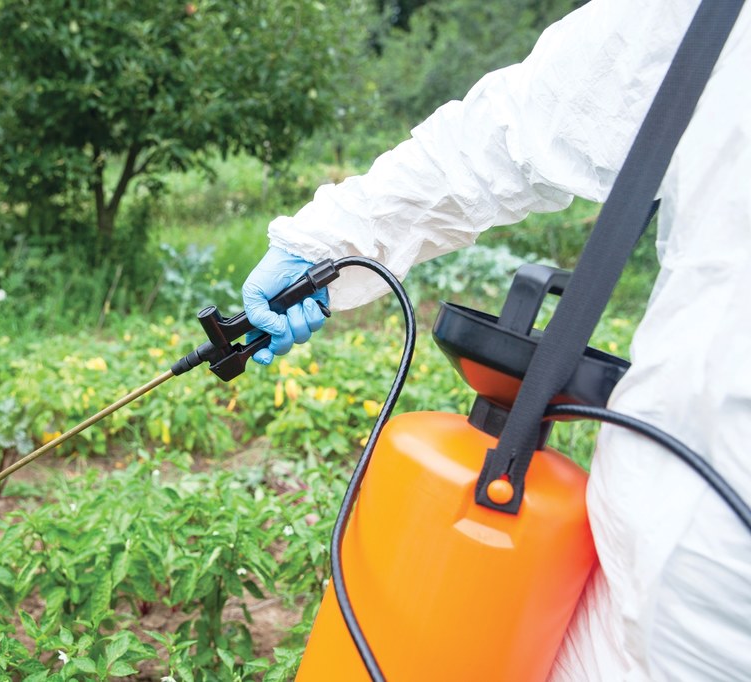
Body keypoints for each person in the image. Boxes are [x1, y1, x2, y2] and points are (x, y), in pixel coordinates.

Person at [241, 0, 751, 679]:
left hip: (691, 549)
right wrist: (331, 247)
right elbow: (539, 117)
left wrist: (334, 240)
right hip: (677, 553)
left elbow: (534, 120)